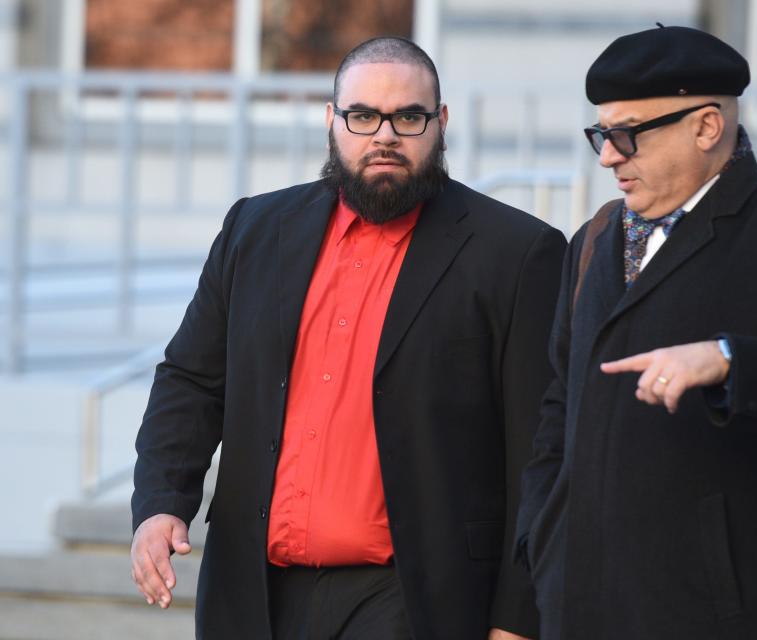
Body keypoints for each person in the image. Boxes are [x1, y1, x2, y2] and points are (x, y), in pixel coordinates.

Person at [130, 36, 565, 640]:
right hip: (254, 593)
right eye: (363, 116)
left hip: (412, 599)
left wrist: (518, 619)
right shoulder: (253, 230)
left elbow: (539, 450)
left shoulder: (518, 253)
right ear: (332, 121)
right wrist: (160, 503)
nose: (384, 135)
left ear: (440, 124)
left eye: (408, 117)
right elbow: (191, 381)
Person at [515, 25, 757, 639]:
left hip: (723, 615)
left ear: (707, 127)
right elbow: (559, 399)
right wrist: (543, 534)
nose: (608, 156)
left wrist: (728, 361)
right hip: (579, 605)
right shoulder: (594, 239)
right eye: (601, 136)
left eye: (626, 135)